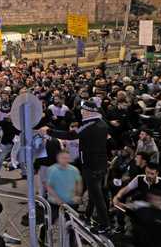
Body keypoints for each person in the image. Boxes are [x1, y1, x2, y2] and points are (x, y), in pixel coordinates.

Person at [40, 100, 111, 234]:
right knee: (91, 192)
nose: (82, 113)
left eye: (83, 111)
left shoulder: (89, 124)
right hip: (100, 164)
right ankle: (87, 216)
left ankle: (105, 225)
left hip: (91, 165)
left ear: (89, 111)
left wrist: (49, 131)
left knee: (96, 196)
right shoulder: (102, 123)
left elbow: (71, 135)